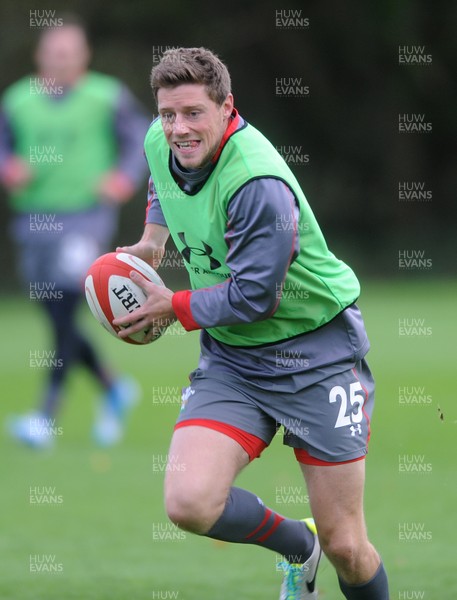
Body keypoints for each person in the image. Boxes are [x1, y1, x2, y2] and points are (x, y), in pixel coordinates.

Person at [115, 47, 389, 599]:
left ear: (226, 107)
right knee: (189, 503)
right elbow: (162, 179)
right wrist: (152, 239)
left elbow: (255, 297)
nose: (178, 128)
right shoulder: (161, 138)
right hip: (235, 361)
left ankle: (323, 549)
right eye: (168, 114)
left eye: (193, 113)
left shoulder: (256, 181)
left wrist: (174, 305)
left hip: (318, 356)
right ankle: (296, 547)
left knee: (348, 547)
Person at [0, 18, 150, 448]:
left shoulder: (107, 96)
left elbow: (142, 136)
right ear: (40, 56)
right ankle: (113, 386)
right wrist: (7, 166)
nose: (61, 60)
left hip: (84, 217)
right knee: (57, 313)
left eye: (69, 52)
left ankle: (45, 417)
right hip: (32, 219)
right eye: (54, 52)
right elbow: (2, 145)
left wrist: (124, 175)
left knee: (66, 303)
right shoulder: (17, 100)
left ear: (83, 56)